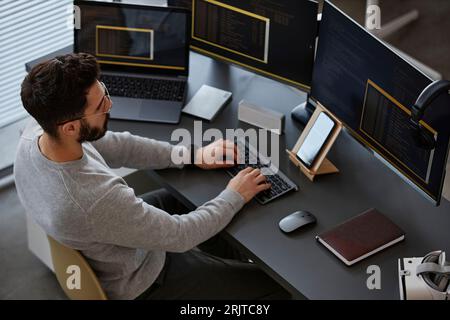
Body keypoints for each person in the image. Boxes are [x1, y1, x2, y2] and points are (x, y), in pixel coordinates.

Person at [14, 53, 290, 300]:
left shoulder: (37, 130)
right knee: (276, 286)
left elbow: (118, 145)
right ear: (72, 128)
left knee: (199, 205)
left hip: (112, 242)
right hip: (147, 280)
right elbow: (181, 236)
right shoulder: (93, 198)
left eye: (105, 93)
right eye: (100, 106)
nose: (110, 104)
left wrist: (192, 155)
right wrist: (236, 194)